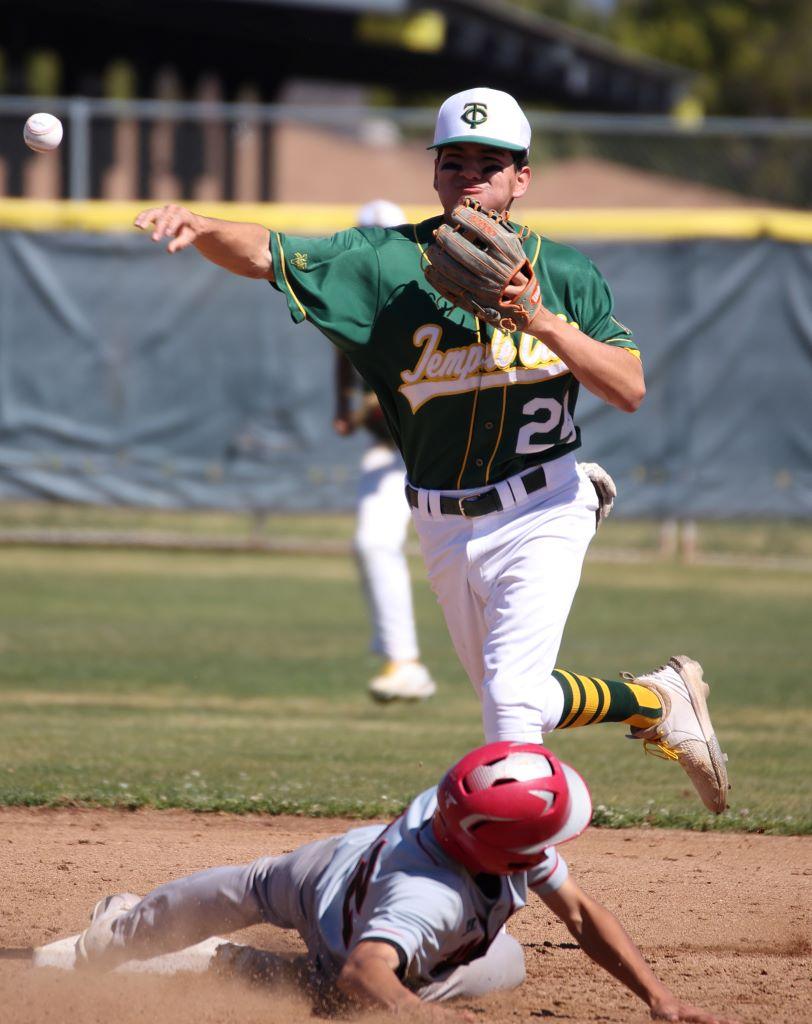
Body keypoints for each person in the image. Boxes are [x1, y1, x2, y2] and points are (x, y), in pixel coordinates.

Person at [133, 86, 729, 814]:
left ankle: (508, 879)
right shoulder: (383, 263)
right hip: (442, 521)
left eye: (490, 164)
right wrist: (200, 224)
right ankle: (656, 701)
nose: (470, 176)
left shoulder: (565, 273)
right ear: (435, 173)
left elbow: (629, 387)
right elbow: (267, 252)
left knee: (509, 708)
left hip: (544, 505)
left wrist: (541, 320)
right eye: (455, 162)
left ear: (521, 178)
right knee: (517, 695)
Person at [73, 742, 736, 1023]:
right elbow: (365, 970)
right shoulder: (428, 899)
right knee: (346, 993)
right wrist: (423, 1016)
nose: (550, 844)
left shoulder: (465, 812)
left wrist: (659, 998)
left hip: (341, 860)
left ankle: (140, 933)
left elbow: (582, 916)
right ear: (501, 851)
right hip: (340, 923)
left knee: (245, 886)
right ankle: (187, 954)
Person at [335, 199, 437, 703]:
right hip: (391, 451)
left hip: (445, 450)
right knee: (373, 543)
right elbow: (342, 353)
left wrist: (379, 397)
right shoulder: (351, 299)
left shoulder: (427, 293)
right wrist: (343, 407)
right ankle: (403, 659)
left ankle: (518, 685)